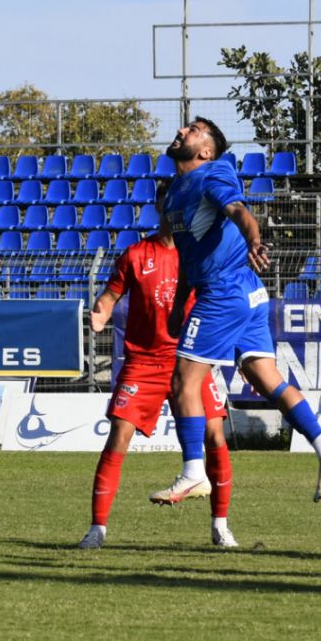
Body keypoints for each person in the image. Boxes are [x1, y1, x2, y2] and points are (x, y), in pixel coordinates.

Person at [158, 118, 321, 503]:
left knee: (183, 381)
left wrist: (255, 241)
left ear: (206, 150)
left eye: (194, 130)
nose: (182, 131)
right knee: (266, 379)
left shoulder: (212, 175)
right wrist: (180, 300)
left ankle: (194, 472)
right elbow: (188, 253)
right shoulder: (174, 191)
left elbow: (240, 212)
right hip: (246, 293)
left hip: (224, 294)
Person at [78, 183, 237, 550]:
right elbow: (110, 295)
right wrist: (100, 313)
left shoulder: (201, 254)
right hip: (144, 363)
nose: (174, 214)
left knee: (215, 436)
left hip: (191, 360)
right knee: (118, 435)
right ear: (158, 209)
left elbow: (224, 301)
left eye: (181, 207)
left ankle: (220, 526)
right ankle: (97, 529)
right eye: (168, 207)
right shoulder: (136, 254)